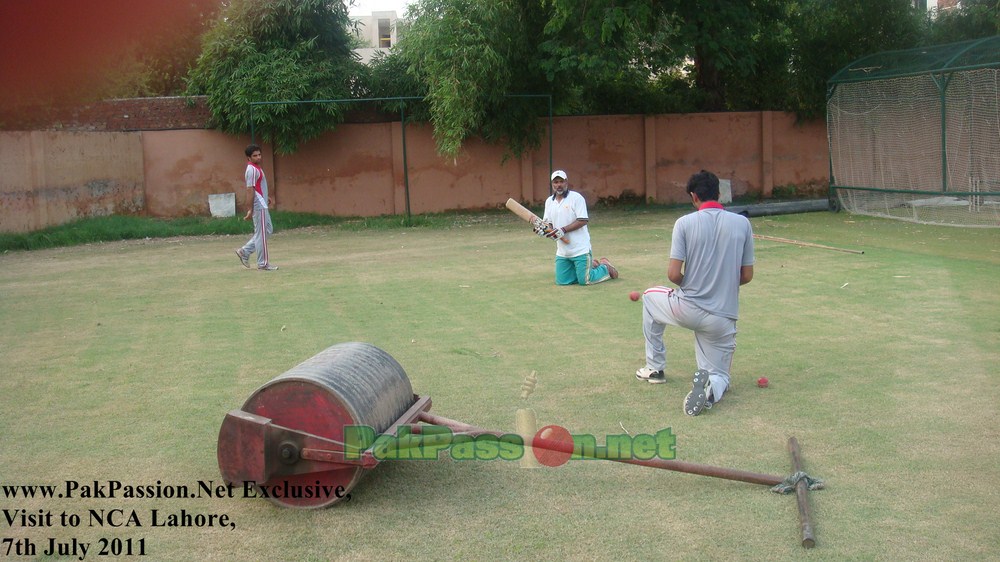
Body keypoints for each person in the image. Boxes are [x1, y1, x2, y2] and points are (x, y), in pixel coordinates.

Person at [634, 170, 754, 416]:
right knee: (720, 376)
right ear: (719, 194)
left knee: (649, 297)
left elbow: (673, 274)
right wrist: (719, 286)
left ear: (693, 196)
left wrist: (696, 285)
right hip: (723, 316)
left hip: (686, 308)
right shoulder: (743, 223)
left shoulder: (684, 223)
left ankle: (655, 368)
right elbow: (746, 276)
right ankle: (711, 389)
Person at [534, 169, 618, 285]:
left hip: (580, 249)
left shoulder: (576, 198)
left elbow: (583, 220)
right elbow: (549, 224)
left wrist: (562, 230)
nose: (559, 185)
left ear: (566, 182)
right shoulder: (549, 201)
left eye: (561, 182)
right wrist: (544, 230)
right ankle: (590, 266)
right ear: (552, 184)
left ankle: (605, 268)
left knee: (585, 281)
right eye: (556, 182)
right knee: (562, 282)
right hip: (563, 251)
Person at [235, 144, 278, 271]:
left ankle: (244, 251)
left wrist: (267, 196)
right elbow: (250, 190)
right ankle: (263, 263)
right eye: (255, 156)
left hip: (262, 203)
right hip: (258, 205)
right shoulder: (251, 170)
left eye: (259, 154)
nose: (258, 157)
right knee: (261, 234)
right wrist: (250, 209)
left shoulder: (257, 168)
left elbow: (259, 186)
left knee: (268, 230)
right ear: (249, 157)